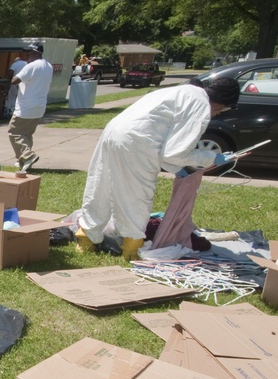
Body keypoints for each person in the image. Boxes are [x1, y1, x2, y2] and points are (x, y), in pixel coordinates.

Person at [75, 77, 240, 260]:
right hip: (137, 143)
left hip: (113, 133)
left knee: (101, 187)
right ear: (223, 103)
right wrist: (210, 158)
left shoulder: (181, 90)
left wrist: (177, 168)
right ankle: (131, 249)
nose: (217, 114)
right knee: (136, 197)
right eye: (222, 110)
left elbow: (165, 145)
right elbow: (175, 152)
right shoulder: (200, 104)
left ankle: (86, 240)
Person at [8, 42, 53, 172]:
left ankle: (28, 156)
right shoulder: (48, 66)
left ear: (36, 53)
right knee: (27, 134)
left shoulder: (31, 66)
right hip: (39, 107)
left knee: (14, 132)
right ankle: (24, 161)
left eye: (29, 53)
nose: (26, 55)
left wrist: (16, 72)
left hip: (26, 107)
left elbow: (14, 81)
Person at [4, 49, 28, 117]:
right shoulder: (26, 63)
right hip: (24, 83)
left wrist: (8, 80)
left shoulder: (14, 64)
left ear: (15, 60)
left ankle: (10, 109)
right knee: (21, 97)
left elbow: (10, 73)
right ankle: (21, 110)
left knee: (12, 96)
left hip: (15, 82)